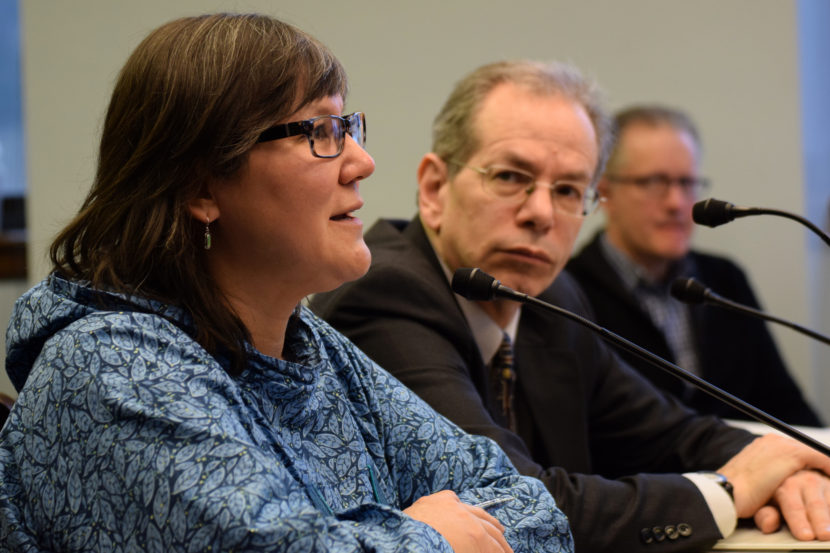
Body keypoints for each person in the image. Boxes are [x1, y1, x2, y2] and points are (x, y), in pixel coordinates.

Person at [0, 16, 573, 553]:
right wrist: (432, 537)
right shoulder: (106, 367)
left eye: (349, 126)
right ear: (201, 187)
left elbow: (533, 509)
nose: (362, 162)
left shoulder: (309, 345)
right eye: (320, 131)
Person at [310, 60, 830, 553]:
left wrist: (789, 470)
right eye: (510, 177)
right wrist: (727, 490)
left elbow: (670, 433)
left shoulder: (550, 297)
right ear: (434, 188)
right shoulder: (386, 295)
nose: (540, 214)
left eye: (567, 190)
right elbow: (511, 503)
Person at [566, 105, 821, 426]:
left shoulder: (724, 279)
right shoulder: (569, 291)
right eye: (654, 182)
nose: (676, 203)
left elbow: (784, 404)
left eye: (687, 183)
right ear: (605, 193)